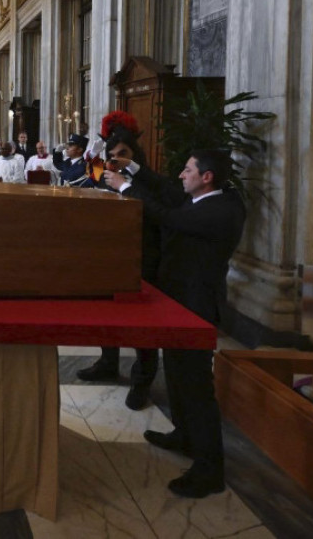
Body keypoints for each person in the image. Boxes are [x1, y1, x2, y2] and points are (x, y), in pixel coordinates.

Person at [105, 149, 245, 498]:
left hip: (197, 306)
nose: (181, 175)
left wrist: (125, 188)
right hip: (178, 302)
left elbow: (167, 216)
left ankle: (210, 470)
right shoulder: (200, 198)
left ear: (206, 177)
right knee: (177, 376)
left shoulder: (222, 210)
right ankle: (184, 435)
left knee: (196, 388)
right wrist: (132, 168)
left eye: (187, 169)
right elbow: (165, 188)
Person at [76, 128, 173, 410]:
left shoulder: (149, 181)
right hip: (112, 255)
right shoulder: (105, 176)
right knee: (108, 314)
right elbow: (93, 187)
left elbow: (156, 211)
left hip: (144, 256)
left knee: (144, 323)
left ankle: (142, 379)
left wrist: (124, 184)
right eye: (112, 154)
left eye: (123, 154)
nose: (116, 159)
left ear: (134, 155)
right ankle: (108, 362)